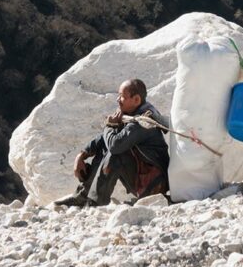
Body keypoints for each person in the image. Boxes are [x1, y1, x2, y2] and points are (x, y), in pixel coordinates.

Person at [55, 78, 170, 207]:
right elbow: (106, 139)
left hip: (153, 184)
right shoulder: (133, 113)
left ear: (136, 100)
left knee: (116, 154)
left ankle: (95, 203)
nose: (118, 100)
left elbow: (116, 146)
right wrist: (83, 154)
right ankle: (83, 196)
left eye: (122, 96)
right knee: (107, 145)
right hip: (143, 177)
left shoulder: (143, 122)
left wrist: (110, 126)